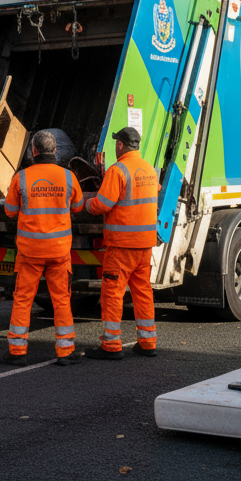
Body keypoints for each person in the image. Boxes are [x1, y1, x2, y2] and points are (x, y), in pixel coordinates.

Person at [2, 131, 84, 366]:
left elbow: (9, 210)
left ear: (33, 152)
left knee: (23, 299)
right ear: (55, 151)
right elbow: (78, 206)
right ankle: (65, 351)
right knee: (61, 300)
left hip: (30, 252)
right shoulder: (68, 177)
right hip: (58, 252)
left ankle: (17, 351)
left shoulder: (22, 178)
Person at [84, 126, 159, 360]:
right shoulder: (149, 169)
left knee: (113, 294)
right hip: (144, 245)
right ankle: (148, 342)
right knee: (143, 292)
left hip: (121, 246)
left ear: (120, 145)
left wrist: (86, 205)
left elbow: (103, 204)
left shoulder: (117, 171)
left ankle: (111, 345)